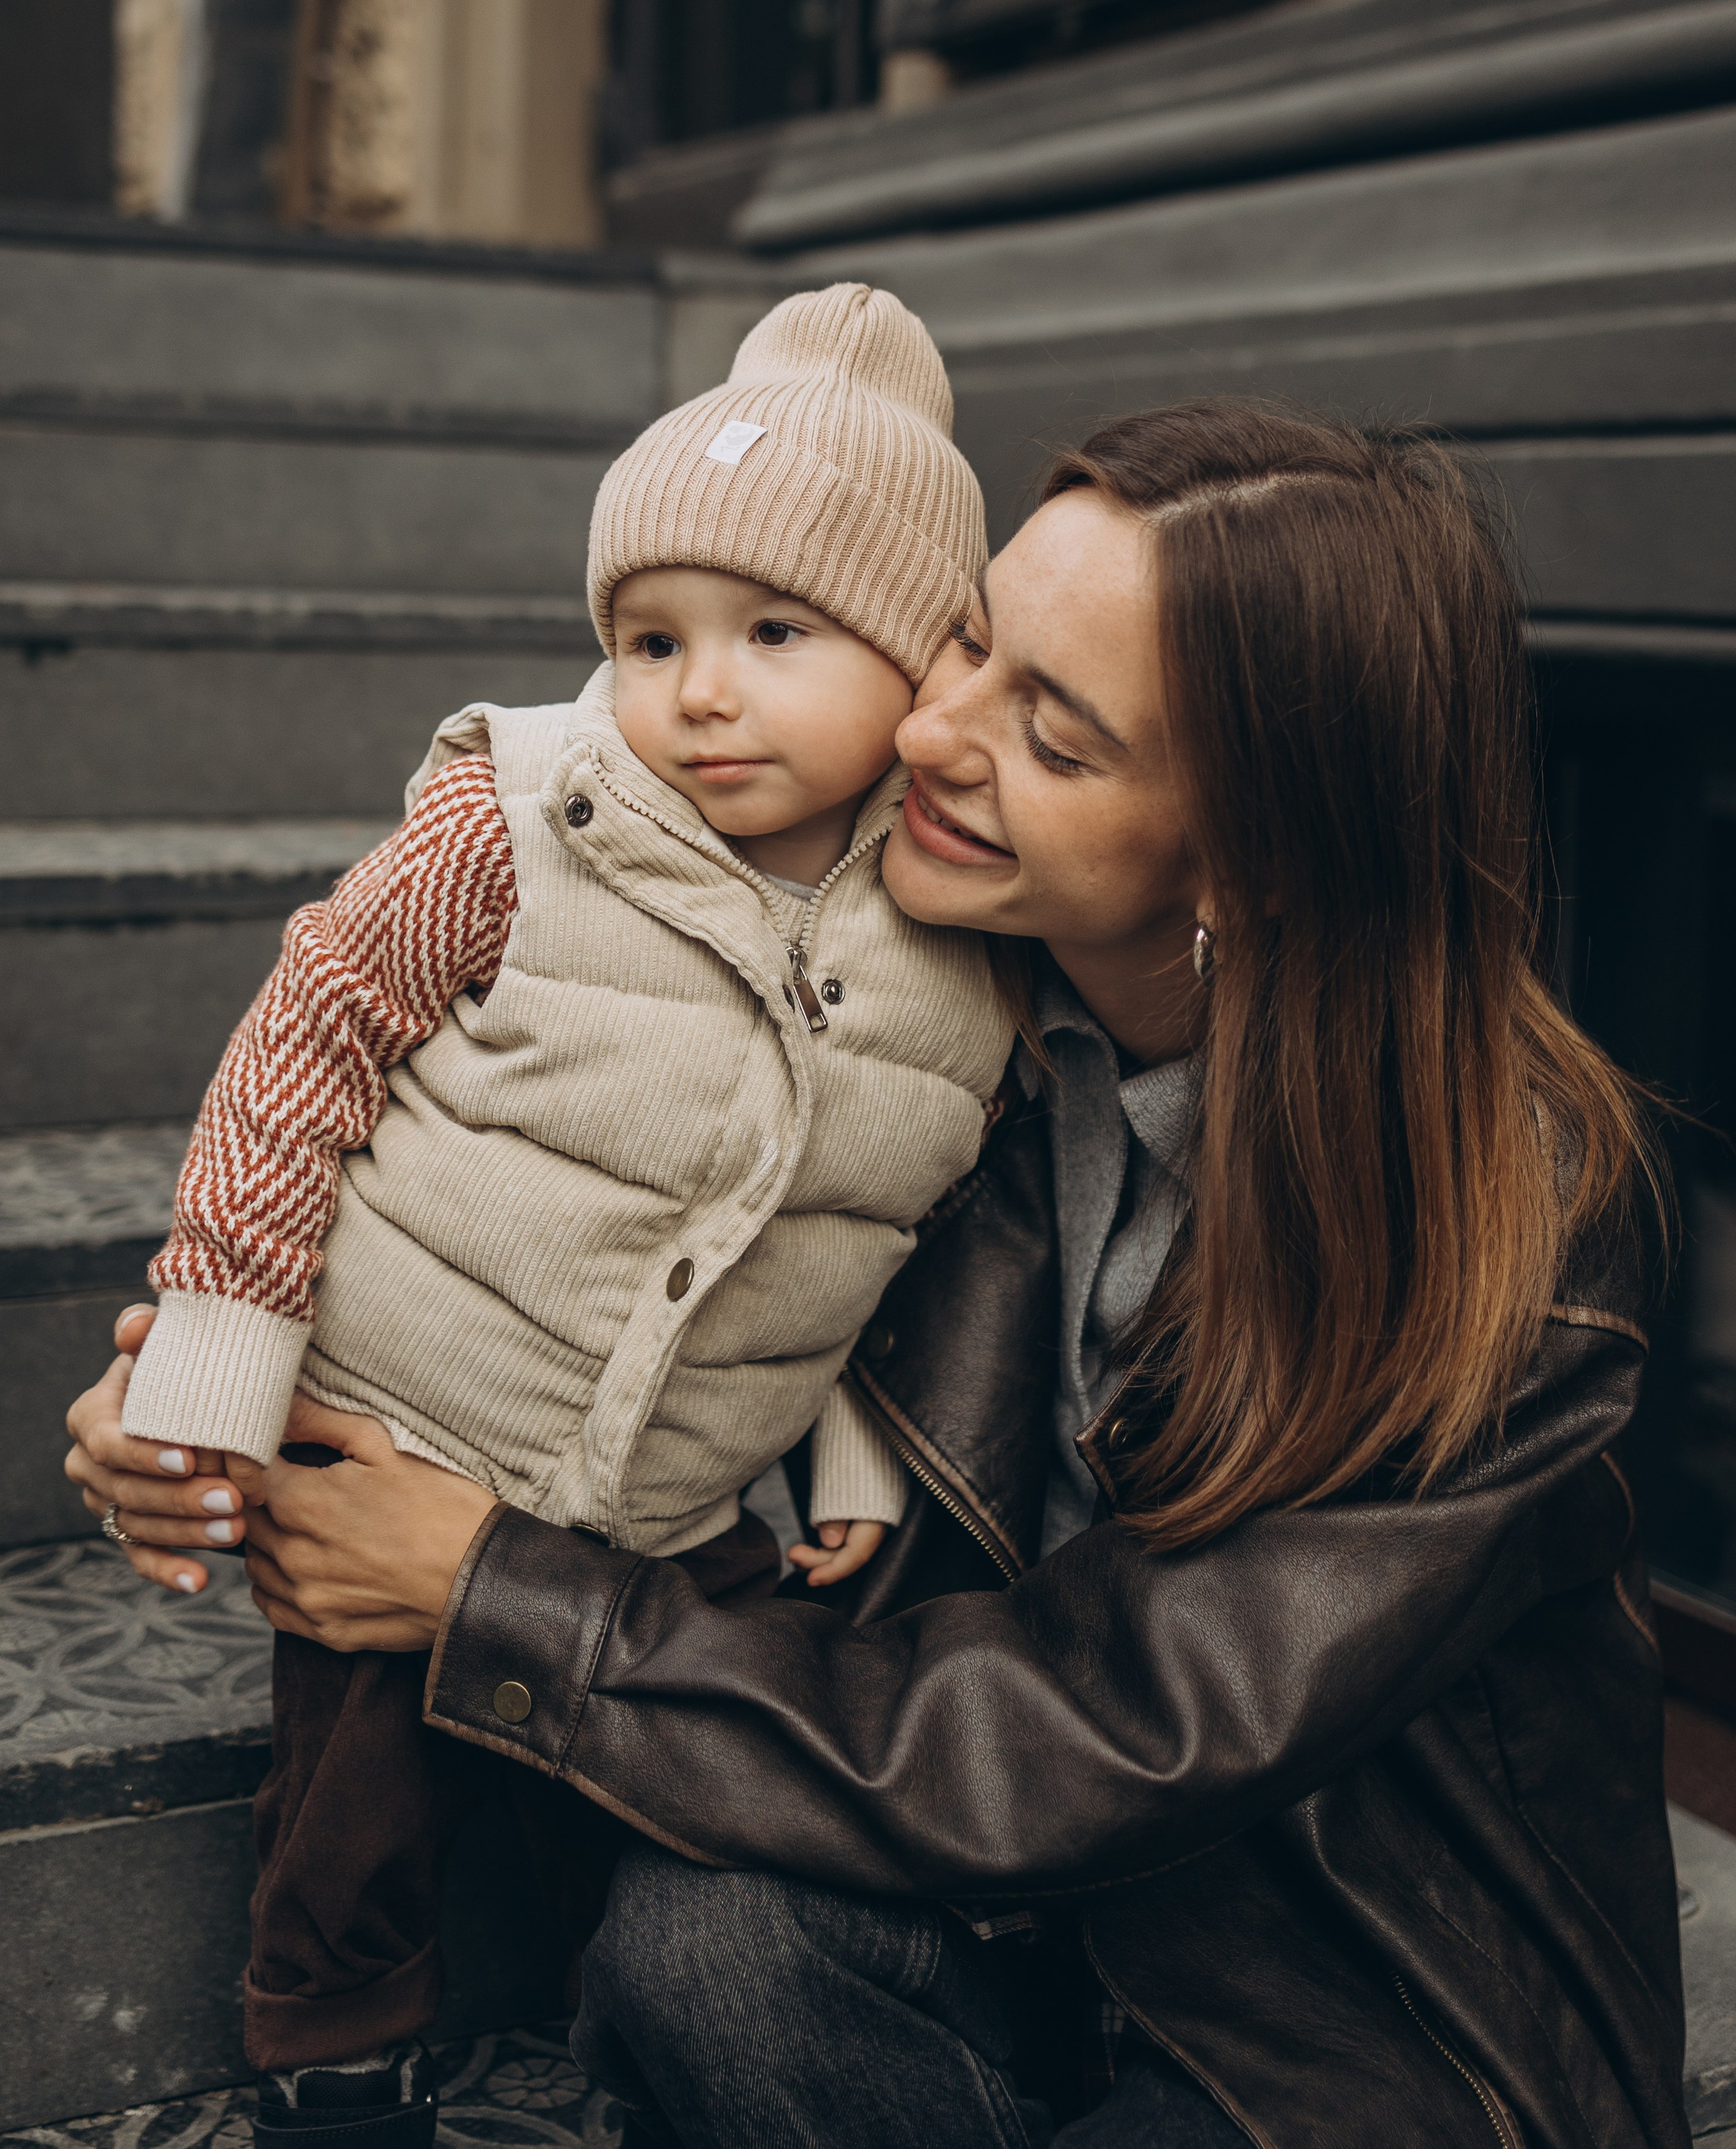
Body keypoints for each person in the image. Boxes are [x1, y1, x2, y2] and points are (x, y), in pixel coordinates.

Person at [70, 402, 1691, 2149]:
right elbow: (585, 1259)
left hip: (1336, 1992)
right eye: (972, 642)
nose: (927, 728)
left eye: (1054, 742)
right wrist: (227, 1386)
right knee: (703, 1952)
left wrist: (492, 1592)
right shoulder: (934, 1016)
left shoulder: (1509, 1211)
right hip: (968, 1877)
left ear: (1261, 854)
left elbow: (1117, 1732)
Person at [98, 282, 1012, 2132]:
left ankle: (632, 2026)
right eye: (652, 633)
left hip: (679, 1486)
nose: (701, 687)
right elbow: (312, 1037)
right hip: (406, 1418)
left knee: (680, 1763)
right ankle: (335, 2064)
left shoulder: (958, 945)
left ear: (923, 666)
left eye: (776, 631)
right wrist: (216, 1343)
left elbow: (857, 1205)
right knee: (353, 1814)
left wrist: (853, 1446)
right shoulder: (520, 811)